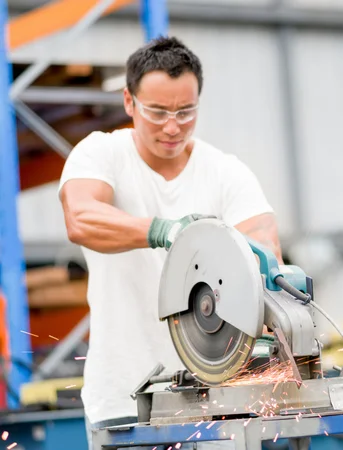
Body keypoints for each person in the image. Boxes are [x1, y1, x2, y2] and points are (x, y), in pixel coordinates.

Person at [58, 36, 283, 449]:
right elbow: (81, 217)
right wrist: (164, 231)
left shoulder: (224, 172)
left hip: (217, 400)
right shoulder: (101, 154)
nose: (172, 126)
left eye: (186, 111)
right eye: (157, 111)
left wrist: (267, 294)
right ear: (129, 101)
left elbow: (265, 247)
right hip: (124, 397)